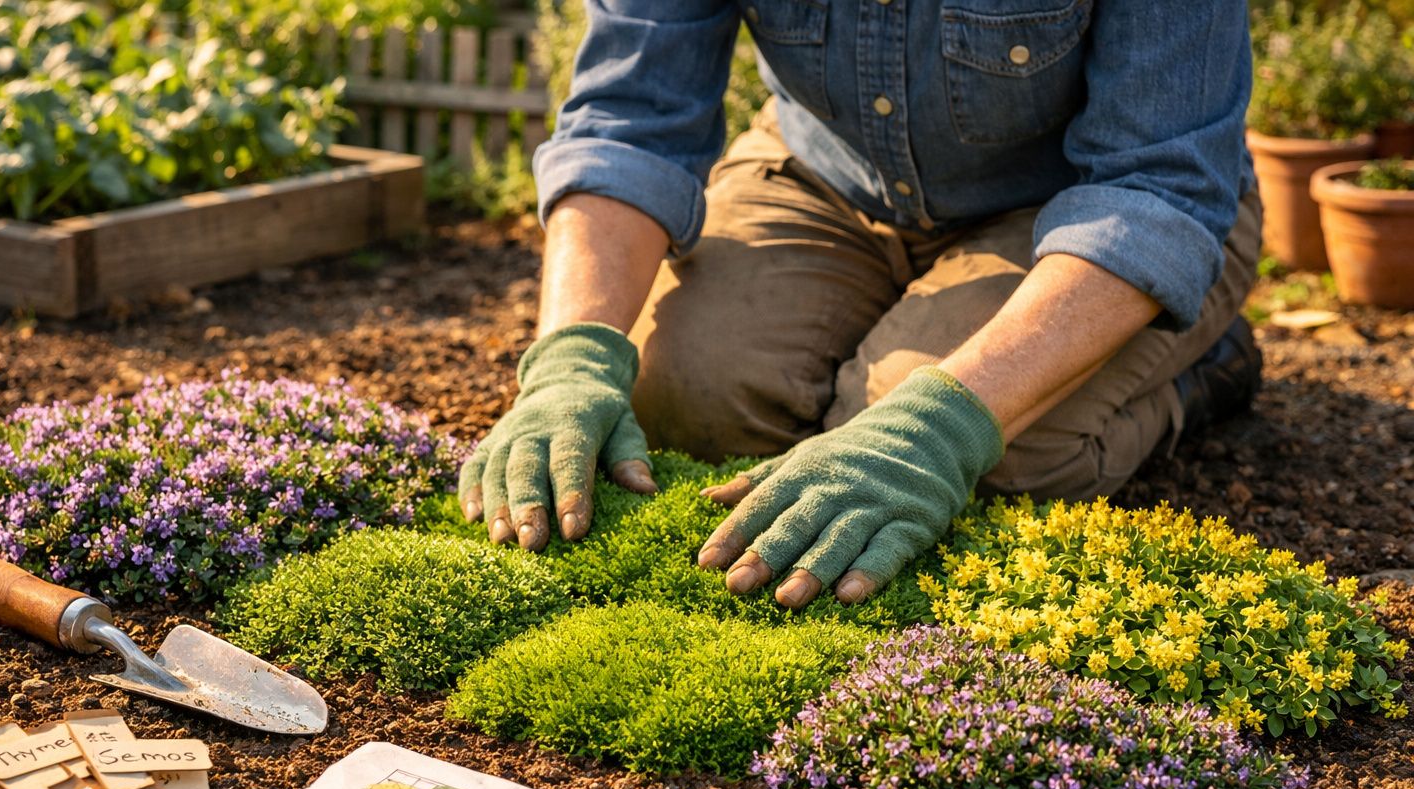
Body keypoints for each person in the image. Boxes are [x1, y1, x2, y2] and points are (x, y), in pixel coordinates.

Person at [458, 0, 1263, 611]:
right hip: (828, 178)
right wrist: (573, 361)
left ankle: (1199, 371)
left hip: (1088, 211)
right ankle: (908, 329)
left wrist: (937, 431)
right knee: (680, 398)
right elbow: (629, 122)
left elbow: (1156, 187)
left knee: (983, 454)